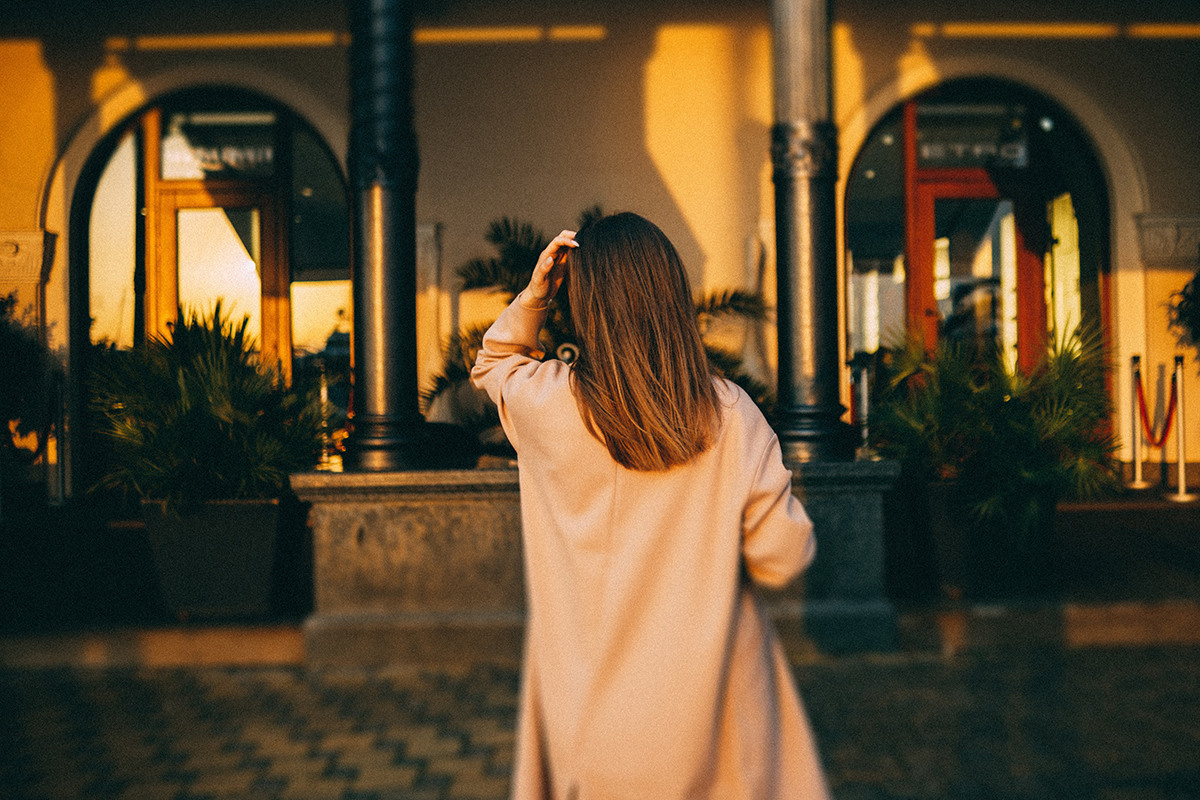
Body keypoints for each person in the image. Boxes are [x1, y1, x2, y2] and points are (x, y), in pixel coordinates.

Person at [471, 211, 829, 800]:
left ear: (583, 306)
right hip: (710, 716)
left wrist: (536, 295)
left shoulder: (546, 405)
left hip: (587, 720)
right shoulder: (729, 414)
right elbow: (783, 558)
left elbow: (494, 363)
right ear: (672, 296)